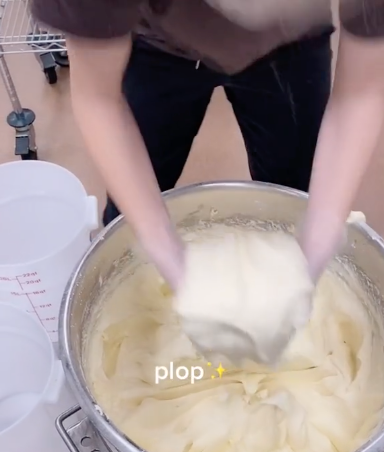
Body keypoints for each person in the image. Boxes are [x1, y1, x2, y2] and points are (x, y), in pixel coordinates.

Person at [32, 0, 384, 291]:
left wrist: (319, 235)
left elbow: (361, 94)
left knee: (293, 191)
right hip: (153, 44)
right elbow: (98, 99)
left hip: (293, 48)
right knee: (130, 209)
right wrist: (165, 252)